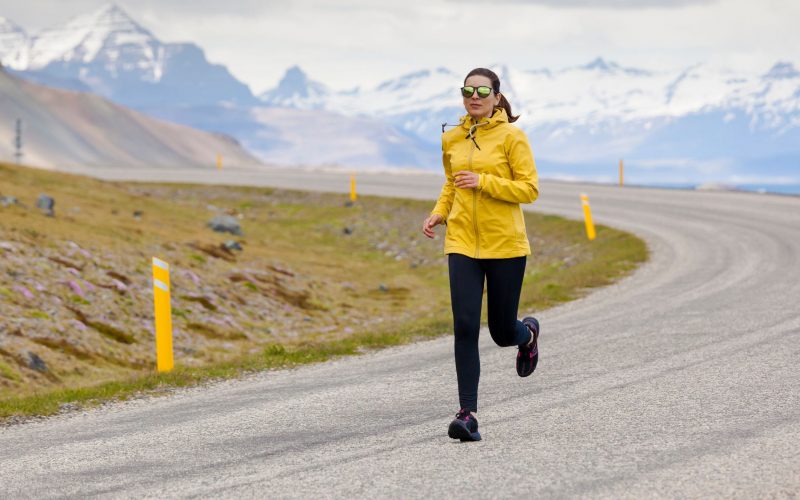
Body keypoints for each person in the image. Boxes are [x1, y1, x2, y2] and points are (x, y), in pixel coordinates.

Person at [422, 67, 540, 442]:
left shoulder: (511, 137)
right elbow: (451, 183)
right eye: (468, 90)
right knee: (465, 326)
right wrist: (440, 212)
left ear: (496, 96)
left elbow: (529, 189)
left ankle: (527, 335)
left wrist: (485, 182)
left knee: (501, 331)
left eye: (482, 91)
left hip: (504, 245)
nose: (474, 96)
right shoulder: (452, 137)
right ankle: (467, 414)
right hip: (462, 243)